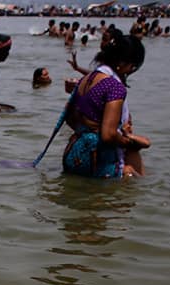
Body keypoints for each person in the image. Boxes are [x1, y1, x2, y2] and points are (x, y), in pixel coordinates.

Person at [62, 34, 150, 178]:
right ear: (122, 63)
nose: (130, 71)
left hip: (74, 154)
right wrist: (129, 142)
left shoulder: (87, 79)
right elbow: (108, 135)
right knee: (135, 180)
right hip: (94, 162)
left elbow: (70, 119)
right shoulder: (114, 87)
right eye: (132, 67)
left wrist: (90, 130)